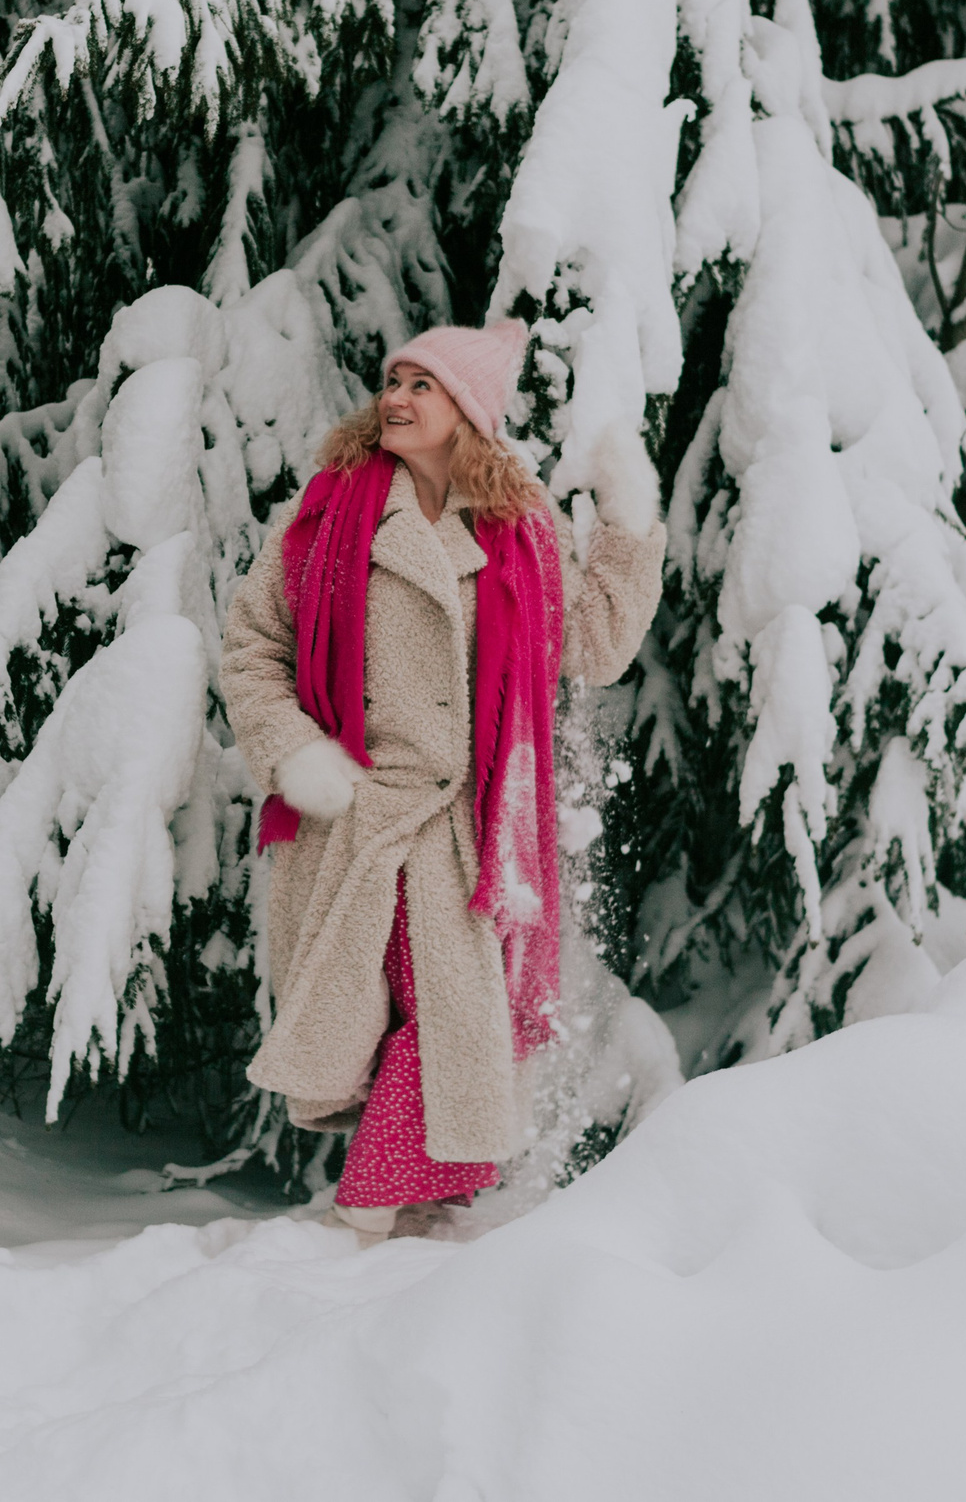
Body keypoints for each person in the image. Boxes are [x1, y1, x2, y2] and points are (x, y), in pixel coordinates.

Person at [219, 319, 665, 1247]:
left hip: (466, 835)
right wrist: (294, 754)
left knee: (453, 1034)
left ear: (466, 411)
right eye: (393, 378)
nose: (396, 396)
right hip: (356, 818)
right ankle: (371, 1230)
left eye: (422, 384)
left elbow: (592, 644)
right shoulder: (331, 516)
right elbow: (253, 644)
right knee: (422, 1033)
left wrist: (626, 525)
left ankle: (378, 1227)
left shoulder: (522, 531)